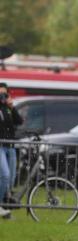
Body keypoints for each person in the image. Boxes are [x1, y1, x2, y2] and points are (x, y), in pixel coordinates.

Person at [0, 82, 23, 217]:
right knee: (5, 174)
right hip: (1, 146)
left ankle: (4, 205)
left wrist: (12, 107)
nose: (2, 97)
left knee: (11, 179)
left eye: (4, 94)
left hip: (10, 146)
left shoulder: (8, 108)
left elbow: (19, 121)